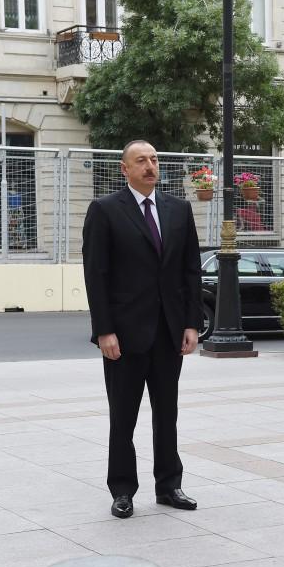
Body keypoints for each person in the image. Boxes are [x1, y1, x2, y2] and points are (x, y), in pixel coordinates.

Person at [82, 139, 201, 519]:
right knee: (123, 416)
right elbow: (96, 275)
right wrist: (104, 330)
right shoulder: (104, 211)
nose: (150, 166)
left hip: (168, 333)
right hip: (125, 335)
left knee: (168, 413)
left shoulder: (179, 210)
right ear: (125, 169)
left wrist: (191, 324)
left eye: (154, 159)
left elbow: (190, 272)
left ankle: (169, 486)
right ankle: (122, 490)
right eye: (141, 161)